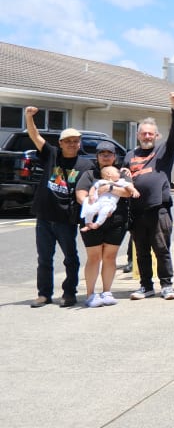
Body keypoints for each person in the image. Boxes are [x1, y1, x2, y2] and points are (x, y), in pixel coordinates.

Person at [25, 107, 93, 308]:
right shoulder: (51, 154)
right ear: (60, 143)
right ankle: (44, 294)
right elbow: (34, 135)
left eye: (76, 141)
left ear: (79, 143)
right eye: (68, 141)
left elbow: (95, 184)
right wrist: (29, 117)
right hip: (45, 217)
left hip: (66, 219)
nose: (72, 144)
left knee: (70, 258)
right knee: (44, 258)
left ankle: (69, 293)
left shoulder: (85, 165)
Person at [125, 92, 174, 301]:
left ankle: (167, 285)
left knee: (162, 249)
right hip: (137, 212)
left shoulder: (163, 153)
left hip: (159, 209)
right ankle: (146, 286)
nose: (147, 136)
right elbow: (124, 178)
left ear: (156, 136)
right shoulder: (130, 155)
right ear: (138, 135)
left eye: (151, 133)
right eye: (144, 133)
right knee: (141, 252)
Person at [74, 141, 131, 308]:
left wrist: (108, 188)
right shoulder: (89, 174)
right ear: (97, 157)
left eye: (109, 154)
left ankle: (107, 292)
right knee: (94, 257)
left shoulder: (121, 173)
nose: (105, 157)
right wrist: (94, 206)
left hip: (116, 222)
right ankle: (90, 294)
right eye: (102, 154)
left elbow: (128, 192)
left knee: (110, 257)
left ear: (114, 157)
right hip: (92, 220)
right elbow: (80, 194)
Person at [80, 166, 137, 231]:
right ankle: (88, 224)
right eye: (117, 172)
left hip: (109, 204)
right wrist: (91, 195)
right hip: (98, 202)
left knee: (104, 212)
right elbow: (94, 187)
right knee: (90, 211)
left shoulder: (120, 181)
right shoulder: (101, 181)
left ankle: (97, 224)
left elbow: (128, 186)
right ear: (109, 174)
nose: (120, 174)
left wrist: (134, 190)